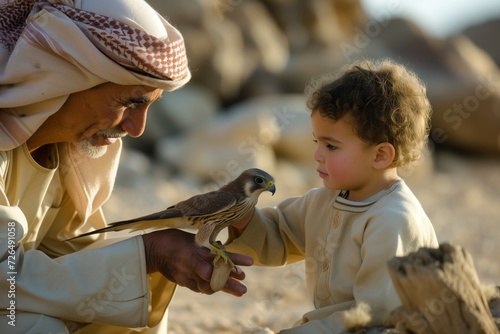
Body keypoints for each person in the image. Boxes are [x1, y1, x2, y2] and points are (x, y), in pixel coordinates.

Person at [0, 0, 252, 333]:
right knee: (32, 326)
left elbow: (64, 256)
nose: (136, 129)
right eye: (132, 102)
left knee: (132, 309)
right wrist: (147, 253)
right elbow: (8, 281)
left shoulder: (66, 152)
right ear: (64, 77)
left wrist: (156, 259)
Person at [228, 58, 439, 333]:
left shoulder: (393, 220)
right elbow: (279, 235)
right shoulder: (324, 200)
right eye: (317, 142)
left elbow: (376, 316)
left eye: (331, 146)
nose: (317, 155)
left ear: (380, 155)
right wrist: (240, 217)